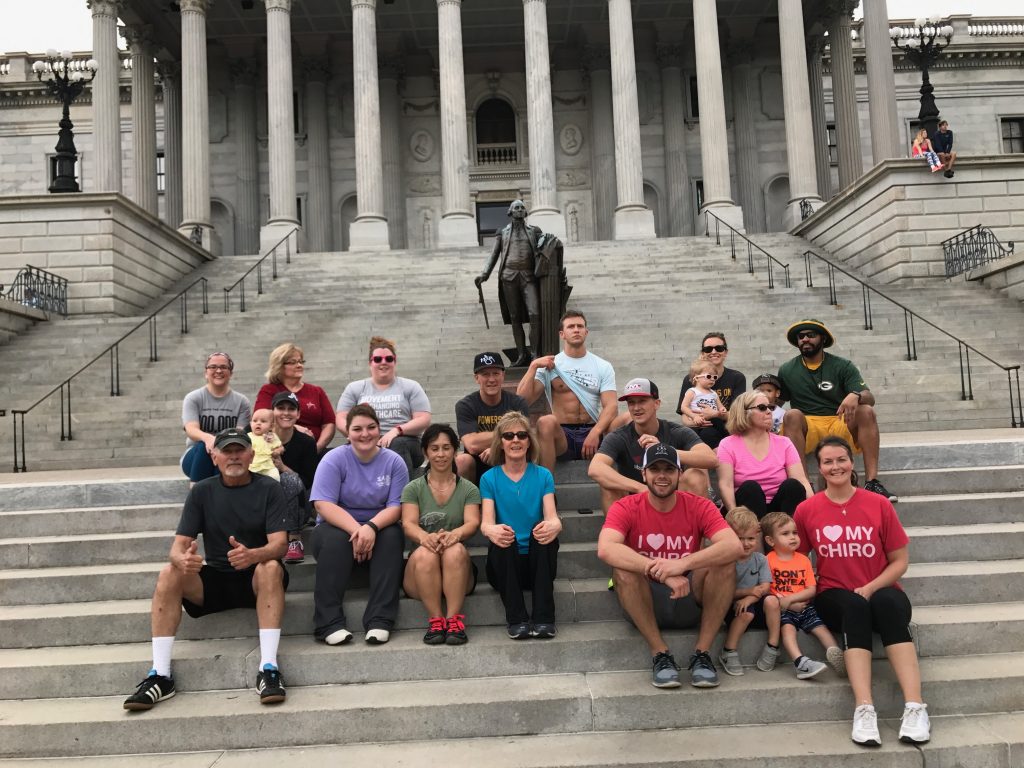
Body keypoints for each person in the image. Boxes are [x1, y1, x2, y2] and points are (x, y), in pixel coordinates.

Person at [123, 428, 289, 711]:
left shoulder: (269, 488)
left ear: (250, 455)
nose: (234, 456)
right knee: (168, 572)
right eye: (227, 451)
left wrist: (253, 555)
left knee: (271, 566)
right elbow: (177, 547)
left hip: (256, 580)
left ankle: (268, 668)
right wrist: (183, 561)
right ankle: (160, 675)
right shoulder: (202, 491)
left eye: (239, 450)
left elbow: (280, 545)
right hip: (215, 579)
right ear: (215, 457)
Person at [794, 436, 929, 747]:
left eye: (840, 459)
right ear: (820, 467)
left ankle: (914, 707)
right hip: (834, 595)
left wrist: (869, 587)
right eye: (827, 461)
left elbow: (900, 561)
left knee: (887, 605)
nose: (835, 466)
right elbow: (798, 558)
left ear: (851, 462)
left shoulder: (878, 504)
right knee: (855, 606)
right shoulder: (806, 509)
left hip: (881, 587)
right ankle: (864, 709)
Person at [596, 443, 743, 689]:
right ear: (643, 474)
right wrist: (662, 572)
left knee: (724, 562)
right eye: (655, 469)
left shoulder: (699, 505)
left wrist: (682, 564)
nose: (662, 475)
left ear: (680, 474)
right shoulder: (627, 506)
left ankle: (702, 654)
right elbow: (606, 548)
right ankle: (660, 653)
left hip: (689, 594)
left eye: (669, 469)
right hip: (645, 599)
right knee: (623, 570)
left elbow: (734, 546)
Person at [309, 404, 409, 645]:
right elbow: (322, 504)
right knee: (335, 540)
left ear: (378, 429)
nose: (365, 434)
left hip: (378, 526)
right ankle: (328, 622)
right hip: (336, 527)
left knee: (393, 536)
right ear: (348, 432)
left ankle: (380, 620)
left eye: (371, 427)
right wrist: (357, 530)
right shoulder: (334, 458)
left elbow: (397, 507)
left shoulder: (394, 461)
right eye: (357, 429)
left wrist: (371, 528)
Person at [777, 319, 897, 502]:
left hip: (839, 420)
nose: (805, 339)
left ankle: (872, 482)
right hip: (809, 426)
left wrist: (856, 395)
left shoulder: (842, 365)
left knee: (866, 411)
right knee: (792, 415)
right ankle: (804, 485)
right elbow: (778, 400)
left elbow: (870, 397)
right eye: (801, 336)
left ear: (823, 338)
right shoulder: (787, 369)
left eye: (811, 335)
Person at [479, 411, 561, 639]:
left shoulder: (543, 475)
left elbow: (552, 516)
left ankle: (544, 619)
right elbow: (485, 524)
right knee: (503, 535)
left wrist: (555, 525)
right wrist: (492, 530)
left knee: (543, 533)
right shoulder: (489, 478)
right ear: (500, 443)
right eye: (508, 436)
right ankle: (517, 620)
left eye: (522, 435)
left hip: (538, 564)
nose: (515, 440)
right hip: (505, 565)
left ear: (529, 441)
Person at [401, 424, 481, 645]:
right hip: (420, 570)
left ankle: (454, 620)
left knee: (454, 550)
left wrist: (455, 534)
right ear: (426, 452)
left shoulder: (469, 489)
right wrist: (425, 538)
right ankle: (436, 621)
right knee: (426, 553)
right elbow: (408, 524)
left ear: (455, 451)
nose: (441, 454)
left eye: (447, 448)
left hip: (457, 568)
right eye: (434, 448)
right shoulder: (413, 488)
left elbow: (473, 522)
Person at [588, 377, 717, 512]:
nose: (636, 408)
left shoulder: (676, 431)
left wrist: (665, 450)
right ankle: (618, 531)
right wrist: (640, 488)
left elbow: (711, 459)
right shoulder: (620, 436)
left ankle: (693, 531)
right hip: (636, 502)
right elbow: (595, 468)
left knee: (695, 476)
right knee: (608, 483)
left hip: (672, 501)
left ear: (656, 403)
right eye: (631, 403)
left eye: (642, 401)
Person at [517, 310, 618, 471]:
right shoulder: (550, 364)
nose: (576, 330)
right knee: (545, 421)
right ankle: (547, 489)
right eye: (571, 327)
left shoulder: (602, 366)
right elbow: (522, 400)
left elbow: (611, 406)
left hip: (592, 430)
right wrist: (533, 366)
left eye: (580, 326)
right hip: (562, 435)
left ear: (586, 332)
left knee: (624, 420)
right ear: (562, 334)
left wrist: (595, 432)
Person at [757, 511, 844, 681]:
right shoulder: (767, 560)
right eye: (785, 534)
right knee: (788, 631)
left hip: (805, 606)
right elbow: (768, 591)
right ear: (770, 540)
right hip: (784, 610)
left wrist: (793, 599)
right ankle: (800, 661)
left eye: (795, 533)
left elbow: (812, 589)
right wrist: (788, 603)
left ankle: (837, 655)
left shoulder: (803, 560)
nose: (793, 537)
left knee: (821, 629)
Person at [337, 336, 432, 473]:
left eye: (388, 359)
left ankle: (401, 493)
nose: (383, 362)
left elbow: (424, 418)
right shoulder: (355, 388)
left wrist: (396, 431)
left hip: (406, 442)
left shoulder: (410, 386)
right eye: (377, 359)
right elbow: (341, 417)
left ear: (395, 361)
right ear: (370, 363)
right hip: (367, 438)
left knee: (397, 443)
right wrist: (359, 434)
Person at [716, 391, 813, 519]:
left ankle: (786, 532)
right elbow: (725, 485)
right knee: (751, 488)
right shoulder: (727, 444)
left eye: (770, 407)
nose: (769, 412)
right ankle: (755, 534)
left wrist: (814, 510)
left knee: (793, 486)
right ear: (744, 412)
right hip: (745, 511)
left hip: (780, 511)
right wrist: (734, 515)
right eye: (762, 408)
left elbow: (802, 481)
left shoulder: (784, 443)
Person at [474, 199, 544, 367]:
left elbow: (544, 249)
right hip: (508, 276)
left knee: (535, 314)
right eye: (516, 208)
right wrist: (484, 274)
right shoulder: (503, 232)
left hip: (528, 276)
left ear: (525, 212)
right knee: (515, 318)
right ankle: (521, 354)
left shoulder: (534, 231)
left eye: (522, 208)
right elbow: (494, 255)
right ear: (510, 212)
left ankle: (535, 353)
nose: (519, 210)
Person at [454, 352, 529, 483]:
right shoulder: (465, 405)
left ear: (503, 375)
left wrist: (494, 448)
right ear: (476, 378)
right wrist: (506, 437)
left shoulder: (517, 403)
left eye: (496, 373)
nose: (491, 379)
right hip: (478, 462)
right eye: (485, 374)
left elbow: (524, 437)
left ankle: (542, 491)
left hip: (508, 458)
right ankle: (471, 502)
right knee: (462, 460)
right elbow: (471, 444)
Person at [180, 352, 251, 483]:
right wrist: (209, 439)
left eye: (224, 367)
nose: (218, 370)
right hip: (196, 456)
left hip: (229, 455)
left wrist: (219, 447)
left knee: (224, 454)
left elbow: (240, 434)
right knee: (203, 445)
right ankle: (196, 495)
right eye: (213, 367)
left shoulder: (242, 402)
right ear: (206, 372)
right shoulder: (193, 398)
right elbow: (191, 429)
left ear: (231, 373)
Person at [254, 343, 336, 455]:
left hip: (315, 450)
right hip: (280, 450)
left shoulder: (316, 391)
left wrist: (315, 448)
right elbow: (261, 420)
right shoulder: (269, 390)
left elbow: (329, 424)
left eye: (301, 361)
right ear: (279, 366)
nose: (299, 365)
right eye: (293, 362)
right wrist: (294, 428)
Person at [718, 506, 771, 677]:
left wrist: (750, 598)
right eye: (740, 538)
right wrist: (748, 592)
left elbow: (765, 586)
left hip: (752, 603)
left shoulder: (760, 559)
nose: (746, 543)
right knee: (746, 614)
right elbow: (722, 593)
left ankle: (773, 647)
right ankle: (728, 651)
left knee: (773, 603)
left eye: (751, 538)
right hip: (728, 606)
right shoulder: (725, 559)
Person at [270, 391, 319, 565]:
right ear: (272, 412)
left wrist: (283, 468)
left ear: (298, 414)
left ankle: (294, 539)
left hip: (297, 502)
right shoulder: (257, 435)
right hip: (266, 500)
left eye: (291, 409)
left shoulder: (306, 442)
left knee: (290, 480)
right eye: (280, 408)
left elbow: (308, 482)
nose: (286, 412)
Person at [675, 332, 746, 450]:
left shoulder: (737, 378)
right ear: (703, 353)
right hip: (697, 428)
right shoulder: (691, 379)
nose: (713, 352)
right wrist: (697, 421)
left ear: (725, 352)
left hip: (725, 429)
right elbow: (684, 416)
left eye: (719, 348)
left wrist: (715, 414)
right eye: (708, 349)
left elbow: (737, 415)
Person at [680, 358, 728, 447]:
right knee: (693, 436)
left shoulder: (713, 393)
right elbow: (684, 407)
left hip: (713, 422)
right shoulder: (692, 391)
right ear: (696, 377)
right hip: (696, 422)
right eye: (709, 376)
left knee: (719, 428)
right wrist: (694, 416)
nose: (712, 379)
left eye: (715, 377)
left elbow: (720, 406)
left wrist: (722, 410)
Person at [248, 408, 284, 481]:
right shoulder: (248, 436)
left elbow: (281, 447)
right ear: (250, 424)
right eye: (255, 421)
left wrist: (278, 451)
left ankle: (274, 490)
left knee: (275, 477)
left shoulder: (272, 436)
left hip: (268, 466)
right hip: (252, 467)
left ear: (271, 426)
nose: (258, 423)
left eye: (263, 421)